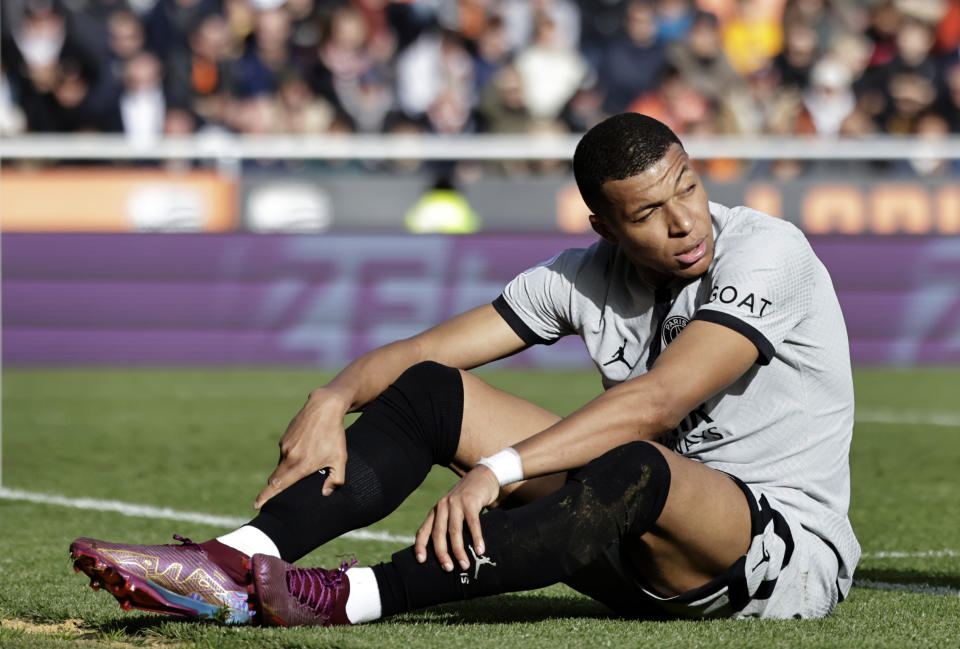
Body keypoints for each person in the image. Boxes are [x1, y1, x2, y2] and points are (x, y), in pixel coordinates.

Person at [70, 113, 859, 627]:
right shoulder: (584, 273)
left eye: (687, 186)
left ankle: (345, 599)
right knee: (430, 394)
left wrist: (499, 472)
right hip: (622, 534)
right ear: (605, 227)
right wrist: (332, 394)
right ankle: (231, 563)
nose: (684, 220)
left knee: (635, 463)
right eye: (648, 213)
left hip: (770, 554)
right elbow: (421, 353)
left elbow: (658, 401)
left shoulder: (768, 250)